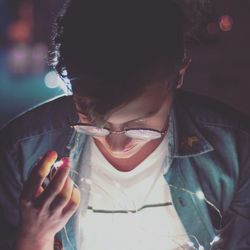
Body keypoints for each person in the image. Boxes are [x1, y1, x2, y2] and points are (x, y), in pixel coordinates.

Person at [0, 0, 250, 249]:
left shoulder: (236, 152)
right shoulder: (19, 152)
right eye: (94, 122)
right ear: (70, 84)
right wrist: (34, 238)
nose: (117, 146)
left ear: (178, 75)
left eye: (140, 125)